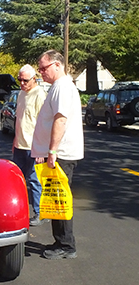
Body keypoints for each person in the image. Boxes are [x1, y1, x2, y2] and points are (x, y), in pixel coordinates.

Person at [32, 50, 84, 260]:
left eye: (44, 67)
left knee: (60, 200)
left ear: (57, 65)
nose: (41, 72)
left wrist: (52, 151)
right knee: (55, 200)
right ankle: (61, 241)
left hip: (61, 154)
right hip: (57, 153)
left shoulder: (62, 87)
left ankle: (66, 245)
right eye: (40, 68)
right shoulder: (58, 87)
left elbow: (60, 120)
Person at [12, 64, 47, 226]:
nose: (22, 83)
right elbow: (20, 120)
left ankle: (40, 213)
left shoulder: (40, 95)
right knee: (18, 179)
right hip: (20, 144)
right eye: (19, 80)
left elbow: (45, 124)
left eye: (25, 80)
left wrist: (42, 148)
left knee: (34, 180)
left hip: (34, 147)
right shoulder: (21, 94)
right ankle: (19, 210)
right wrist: (15, 140)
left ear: (34, 79)